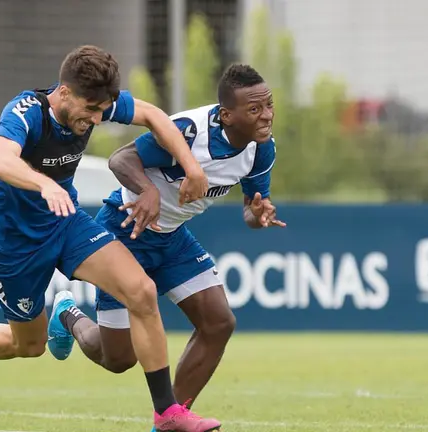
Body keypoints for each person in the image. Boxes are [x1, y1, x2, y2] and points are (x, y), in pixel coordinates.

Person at [0, 45, 222, 432]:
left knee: (140, 291)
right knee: (30, 345)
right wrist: (44, 185)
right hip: (14, 243)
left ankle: (167, 413)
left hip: (66, 223)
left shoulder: (98, 104)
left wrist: (192, 168)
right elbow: (2, 161)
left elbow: (155, 116)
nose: (95, 119)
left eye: (101, 111)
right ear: (64, 91)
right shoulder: (25, 112)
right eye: (90, 110)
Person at [46, 64, 284, 424]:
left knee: (219, 323)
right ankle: (67, 313)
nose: (266, 115)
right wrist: (148, 190)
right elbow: (121, 158)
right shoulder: (190, 133)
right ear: (227, 115)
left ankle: (171, 419)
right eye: (255, 109)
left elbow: (251, 214)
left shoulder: (261, 149)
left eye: (269, 105)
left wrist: (258, 215)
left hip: (172, 238)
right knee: (118, 359)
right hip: (127, 229)